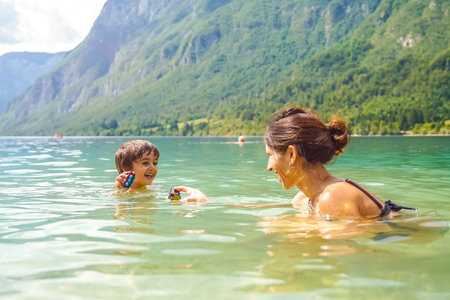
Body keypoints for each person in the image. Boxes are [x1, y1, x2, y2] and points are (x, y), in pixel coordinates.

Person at [175, 107, 415, 218]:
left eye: (271, 155)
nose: (268, 166)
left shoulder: (334, 197)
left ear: (291, 155)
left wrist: (284, 231)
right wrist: (209, 202)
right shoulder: (306, 197)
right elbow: (265, 208)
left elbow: (345, 253)